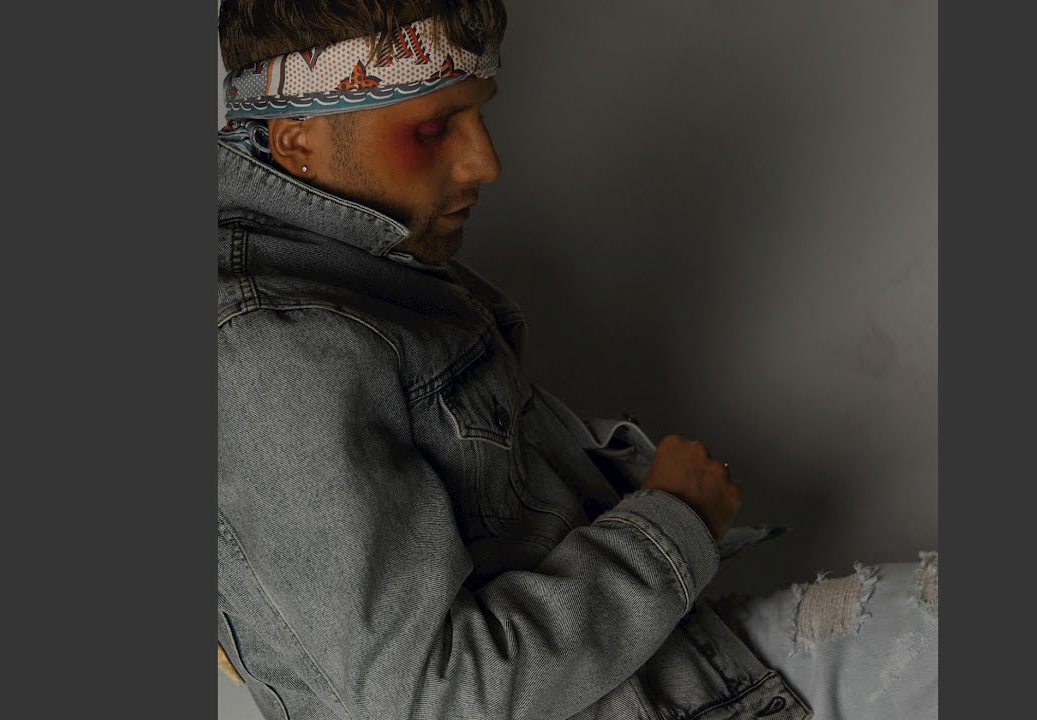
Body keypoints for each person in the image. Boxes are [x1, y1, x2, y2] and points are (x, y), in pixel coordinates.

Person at [216, 2, 938, 719]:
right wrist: (675, 521)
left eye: (478, 114)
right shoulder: (275, 343)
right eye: (433, 128)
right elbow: (427, 700)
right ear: (297, 140)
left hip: (669, 673)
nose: (484, 162)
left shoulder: (350, 277)